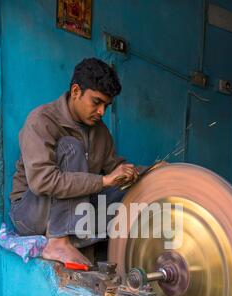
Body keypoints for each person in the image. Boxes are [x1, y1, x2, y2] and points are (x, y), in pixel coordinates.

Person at [9, 58, 139, 265]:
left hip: (76, 212)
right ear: (76, 91)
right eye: (96, 102)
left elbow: (115, 169)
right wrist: (103, 181)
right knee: (70, 147)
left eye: (106, 105)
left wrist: (148, 172)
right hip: (31, 214)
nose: (101, 112)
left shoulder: (101, 132)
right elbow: (42, 181)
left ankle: (95, 246)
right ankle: (58, 243)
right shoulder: (41, 120)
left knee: (126, 187)